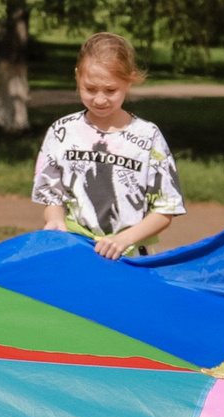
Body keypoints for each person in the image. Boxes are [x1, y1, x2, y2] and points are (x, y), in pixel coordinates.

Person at [33, 32, 184, 257]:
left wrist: (124, 239)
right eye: (90, 89)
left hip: (130, 258)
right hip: (76, 252)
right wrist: (55, 220)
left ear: (129, 80)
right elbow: (52, 196)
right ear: (77, 77)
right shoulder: (61, 132)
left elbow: (165, 209)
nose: (100, 99)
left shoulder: (148, 136)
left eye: (111, 90)